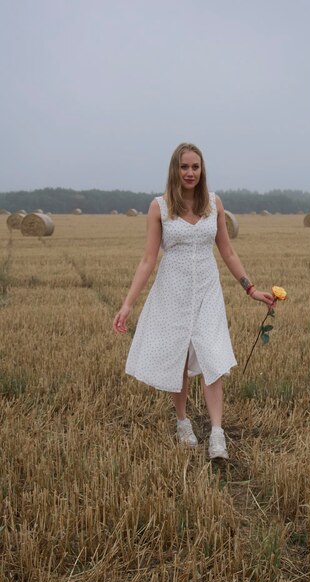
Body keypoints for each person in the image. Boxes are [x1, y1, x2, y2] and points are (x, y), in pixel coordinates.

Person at [113, 143, 275, 460]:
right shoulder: (159, 207)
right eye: (184, 167)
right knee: (180, 360)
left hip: (206, 292)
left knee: (213, 358)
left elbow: (227, 251)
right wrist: (128, 304)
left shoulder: (214, 204)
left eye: (195, 167)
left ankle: (217, 433)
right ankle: (183, 421)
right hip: (171, 292)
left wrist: (250, 288)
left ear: (202, 171)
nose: (190, 172)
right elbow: (148, 260)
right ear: (175, 170)